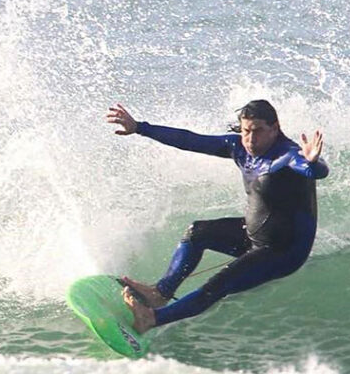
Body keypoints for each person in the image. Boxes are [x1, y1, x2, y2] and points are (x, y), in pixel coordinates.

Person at [105, 100, 328, 333]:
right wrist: (139, 127)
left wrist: (313, 161)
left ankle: (152, 319)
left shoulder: (288, 155)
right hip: (254, 236)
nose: (251, 139)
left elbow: (314, 170)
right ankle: (160, 292)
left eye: (258, 131)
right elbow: (190, 140)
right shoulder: (238, 147)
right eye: (245, 131)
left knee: (219, 284)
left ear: (274, 128)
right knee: (196, 233)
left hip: (283, 251)